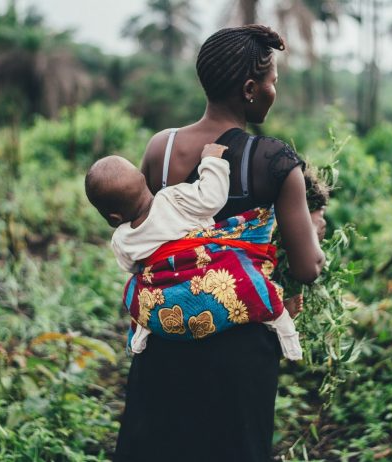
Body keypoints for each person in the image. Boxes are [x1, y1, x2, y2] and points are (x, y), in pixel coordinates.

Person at [114, 25, 326, 462]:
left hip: (165, 336)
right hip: (238, 355)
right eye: (272, 82)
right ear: (250, 88)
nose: (273, 91)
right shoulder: (275, 161)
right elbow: (306, 269)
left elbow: (149, 231)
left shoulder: (161, 149)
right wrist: (314, 235)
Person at [84, 145, 304, 360]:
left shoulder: (122, 238)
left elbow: (132, 267)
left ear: (113, 218)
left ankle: (141, 333)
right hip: (208, 280)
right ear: (143, 179)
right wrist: (212, 161)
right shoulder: (172, 198)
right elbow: (212, 198)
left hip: (167, 305)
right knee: (248, 279)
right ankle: (283, 326)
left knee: (135, 290)